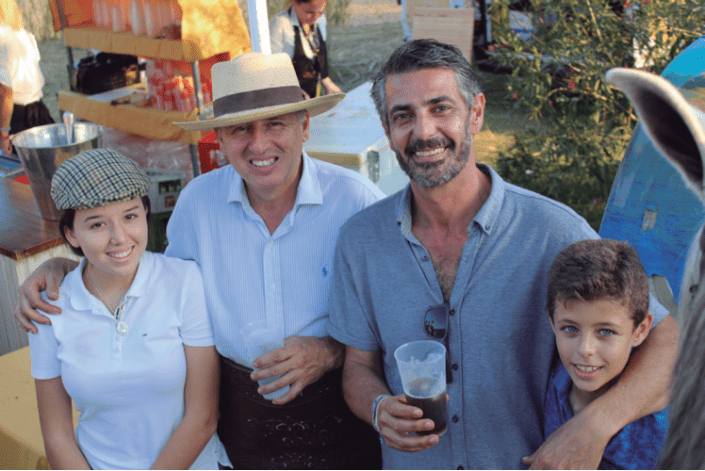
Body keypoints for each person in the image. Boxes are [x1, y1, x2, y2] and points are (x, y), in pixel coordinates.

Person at [15, 52, 385, 469]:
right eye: (240, 129)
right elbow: (149, 279)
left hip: (336, 411)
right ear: (221, 141)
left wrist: (332, 350)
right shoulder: (196, 203)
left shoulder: (356, 202)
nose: (259, 144)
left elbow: (390, 316)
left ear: (304, 126)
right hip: (235, 421)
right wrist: (66, 267)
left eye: (275, 124)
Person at [325, 39, 677, 469]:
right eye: (404, 116)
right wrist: (379, 408)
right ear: (387, 130)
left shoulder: (552, 230)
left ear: (475, 113)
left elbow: (668, 340)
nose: (423, 132)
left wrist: (594, 426)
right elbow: (357, 367)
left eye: (441, 108)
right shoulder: (360, 242)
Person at [28, 148, 220, 469]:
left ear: (146, 213)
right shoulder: (50, 307)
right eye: (98, 224)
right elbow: (57, 435)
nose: (119, 238)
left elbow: (202, 416)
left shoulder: (184, 281)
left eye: (130, 216)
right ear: (71, 234)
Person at [545, 239, 668, 469]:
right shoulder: (548, 384)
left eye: (605, 332)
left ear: (640, 330)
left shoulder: (659, 430)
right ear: (552, 322)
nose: (584, 350)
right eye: (570, 329)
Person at [0, 0, 55, 154]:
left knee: (18, 176)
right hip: (40, 114)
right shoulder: (24, 35)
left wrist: (4, 134)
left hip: (17, 121)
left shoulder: (1, 39)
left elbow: (6, 93)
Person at [269, 0, 342, 98]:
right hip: (287, 98)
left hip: (312, 95)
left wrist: (326, 81)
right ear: (295, 3)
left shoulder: (320, 20)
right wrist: (294, 91)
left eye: (320, 12)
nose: (315, 17)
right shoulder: (280, 24)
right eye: (309, 12)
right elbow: (271, 70)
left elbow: (320, 52)